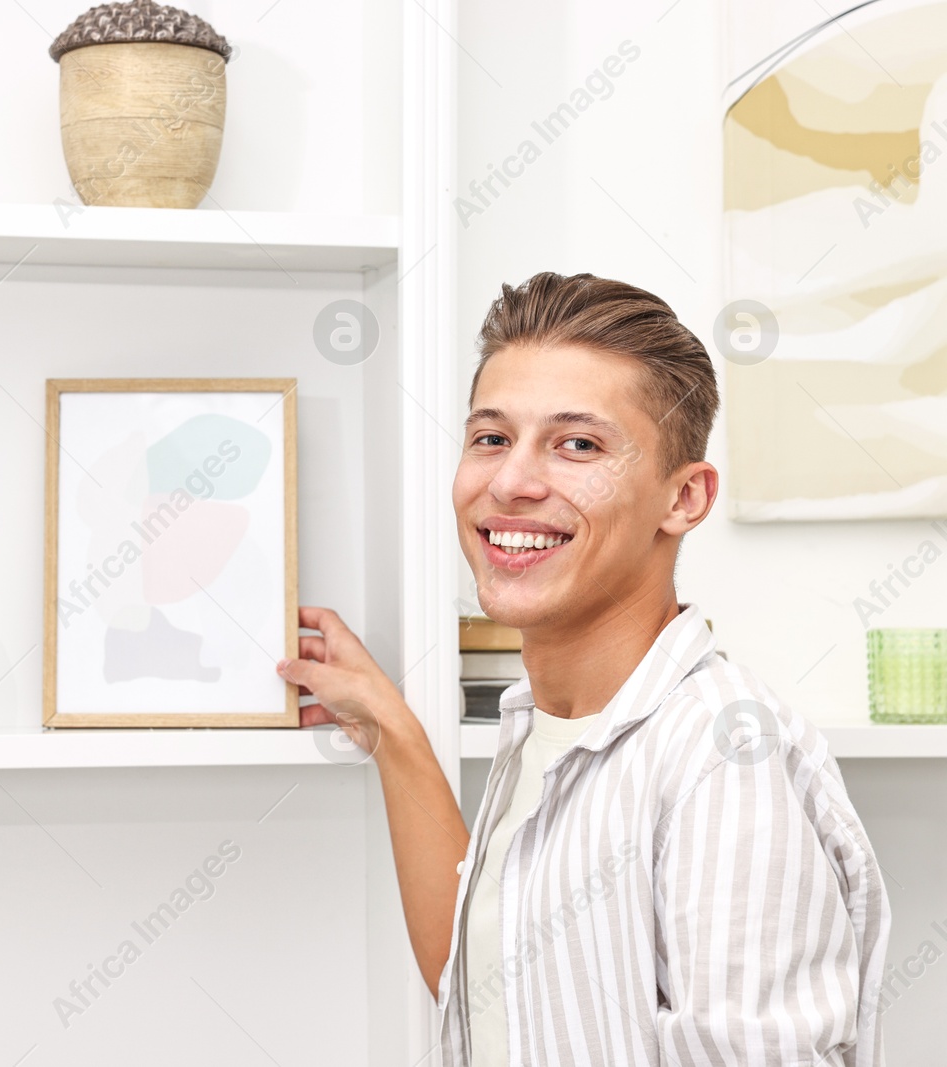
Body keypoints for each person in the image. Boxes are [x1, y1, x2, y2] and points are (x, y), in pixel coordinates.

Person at [276, 272, 889, 1066]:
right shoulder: (547, 717)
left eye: (578, 445)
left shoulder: (719, 754)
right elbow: (490, 990)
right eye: (492, 437)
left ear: (684, 498)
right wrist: (392, 728)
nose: (511, 482)